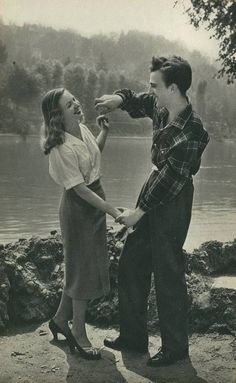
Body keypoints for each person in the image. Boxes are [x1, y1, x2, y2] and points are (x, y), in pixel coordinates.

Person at [95, 56, 209, 367]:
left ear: (173, 88)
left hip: (174, 199)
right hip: (155, 185)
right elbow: (139, 100)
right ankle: (133, 336)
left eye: (155, 85)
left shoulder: (192, 130)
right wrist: (117, 99)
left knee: (168, 272)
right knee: (132, 261)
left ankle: (175, 349)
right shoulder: (161, 105)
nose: (152, 90)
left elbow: (171, 182)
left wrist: (137, 212)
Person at [41, 88, 120, 360]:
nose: (76, 104)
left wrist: (104, 132)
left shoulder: (83, 129)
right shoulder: (59, 146)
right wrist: (111, 209)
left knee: (81, 267)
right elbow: (80, 190)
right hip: (79, 207)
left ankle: (60, 321)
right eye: (68, 104)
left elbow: (93, 152)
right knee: (82, 269)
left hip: (94, 201)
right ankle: (78, 332)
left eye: (75, 99)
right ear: (57, 115)